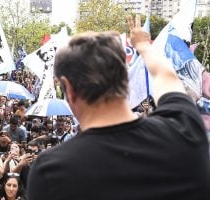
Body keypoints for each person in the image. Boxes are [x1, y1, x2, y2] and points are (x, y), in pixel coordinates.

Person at [27, 15, 210, 199]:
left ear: (68, 88)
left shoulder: (52, 171)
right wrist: (144, 47)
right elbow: (167, 78)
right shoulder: (184, 128)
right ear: (124, 77)